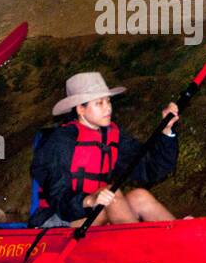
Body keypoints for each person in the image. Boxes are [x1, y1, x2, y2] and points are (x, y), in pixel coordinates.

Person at [29, 71, 180, 229]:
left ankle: (182, 237)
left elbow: (151, 169)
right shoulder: (60, 141)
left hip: (98, 210)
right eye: (99, 103)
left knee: (139, 196)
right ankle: (143, 247)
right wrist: (89, 200)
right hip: (60, 218)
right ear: (81, 109)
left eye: (108, 101)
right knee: (111, 194)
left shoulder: (113, 135)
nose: (108, 108)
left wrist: (166, 132)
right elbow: (57, 195)